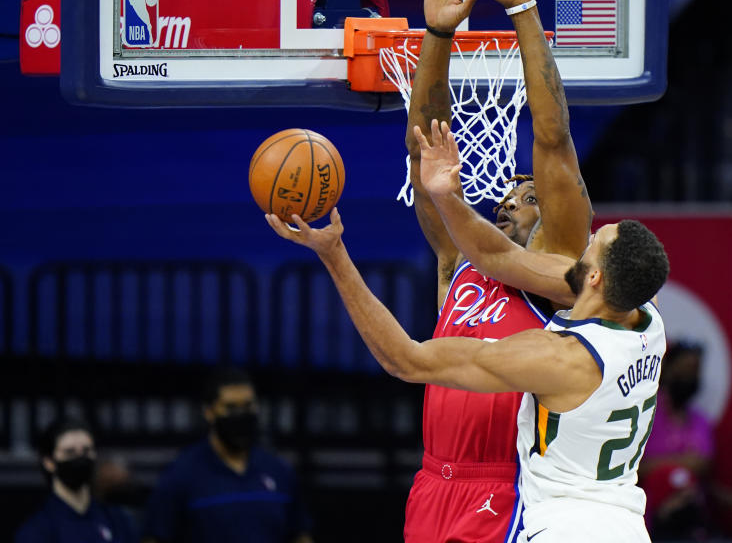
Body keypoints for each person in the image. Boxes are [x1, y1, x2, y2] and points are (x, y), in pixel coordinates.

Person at [265, 120, 670, 543]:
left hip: (562, 525)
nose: (583, 240)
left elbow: (406, 359)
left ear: (594, 278)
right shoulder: (647, 317)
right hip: (623, 522)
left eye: (591, 244)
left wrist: (333, 254)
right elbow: (495, 253)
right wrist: (443, 195)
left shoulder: (557, 356)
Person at [395, 0, 592, 542]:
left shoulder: (555, 270)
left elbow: (553, 138)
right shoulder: (461, 259)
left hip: (500, 488)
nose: (509, 201)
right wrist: (436, 35)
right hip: (430, 484)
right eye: (504, 194)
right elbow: (423, 141)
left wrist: (525, 9)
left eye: (526, 195)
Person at [141, 368, 313, 543]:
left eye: (248, 406)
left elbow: (300, 535)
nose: (240, 415)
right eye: (231, 408)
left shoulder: (279, 471)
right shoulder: (181, 475)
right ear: (209, 412)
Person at [636, 341, 714, 539]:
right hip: (649, 521)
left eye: (695, 371)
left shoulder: (700, 420)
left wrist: (660, 464)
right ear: (669, 369)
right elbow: (635, 466)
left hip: (691, 523)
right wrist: (683, 462)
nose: (691, 377)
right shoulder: (647, 413)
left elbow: (702, 463)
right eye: (686, 369)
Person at [15, 417, 138, 543]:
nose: (79, 458)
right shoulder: (37, 531)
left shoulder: (117, 521)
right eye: (70, 452)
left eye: (86, 450)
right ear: (49, 462)